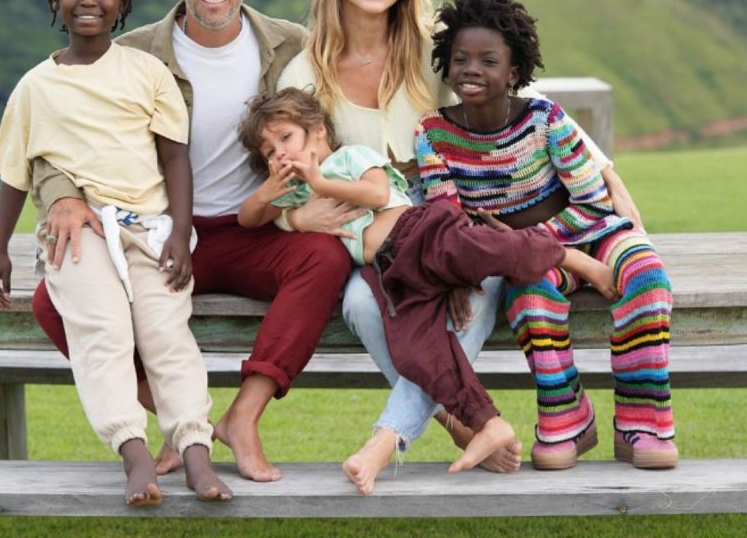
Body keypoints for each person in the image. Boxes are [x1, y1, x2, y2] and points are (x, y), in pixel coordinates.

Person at [276, 0, 642, 482]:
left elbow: (517, 96)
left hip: (463, 214)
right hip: (374, 231)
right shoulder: (304, 72)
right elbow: (286, 163)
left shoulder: (431, 46)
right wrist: (299, 221)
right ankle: (461, 416)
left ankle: (393, 439)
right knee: (360, 305)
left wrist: (605, 167)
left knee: (470, 299)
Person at [27, 0, 352, 483]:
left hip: (256, 230)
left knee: (324, 260)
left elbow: (330, 126)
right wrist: (61, 197)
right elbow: (57, 141)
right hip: (156, 234)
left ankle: (243, 417)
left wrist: (326, 195)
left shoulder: (291, 47)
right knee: (51, 302)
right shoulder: (130, 52)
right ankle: (173, 418)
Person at [236, 87, 615, 494]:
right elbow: (247, 219)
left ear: (318, 133)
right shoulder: (296, 193)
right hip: (393, 273)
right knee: (420, 350)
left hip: (419, 233)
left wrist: (321, 182)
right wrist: (269, 195)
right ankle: (486, 421)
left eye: (286, 138)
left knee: (489, 249)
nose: (279, 154)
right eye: (269, 151)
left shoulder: (348, 159)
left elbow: (377, 194)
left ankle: (570, 258)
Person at [0, 0, 232, 506]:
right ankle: (135, 454)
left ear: (122, 2)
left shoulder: (147, 73)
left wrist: (180, 232)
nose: (88, 1)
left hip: (149, 228)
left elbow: (175, 159)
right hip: (77, 232)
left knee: (166, 333)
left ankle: (196, 453)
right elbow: (14, 175)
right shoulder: (35, 87)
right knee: (103, 330)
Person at [417, 0, 678, 471]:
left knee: (646, 277)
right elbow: (447, 219)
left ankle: (642, 422)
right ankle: (567, 418)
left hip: (596, 235)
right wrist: (477, 262)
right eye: (460, 59)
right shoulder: (433, 134)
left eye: (488, 60)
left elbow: (594, 203)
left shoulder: (545, 119)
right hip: (523, 260)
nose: (471, 69)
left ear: (514, 72)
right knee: (530, 295)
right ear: (446, 66)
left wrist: (527, 241)